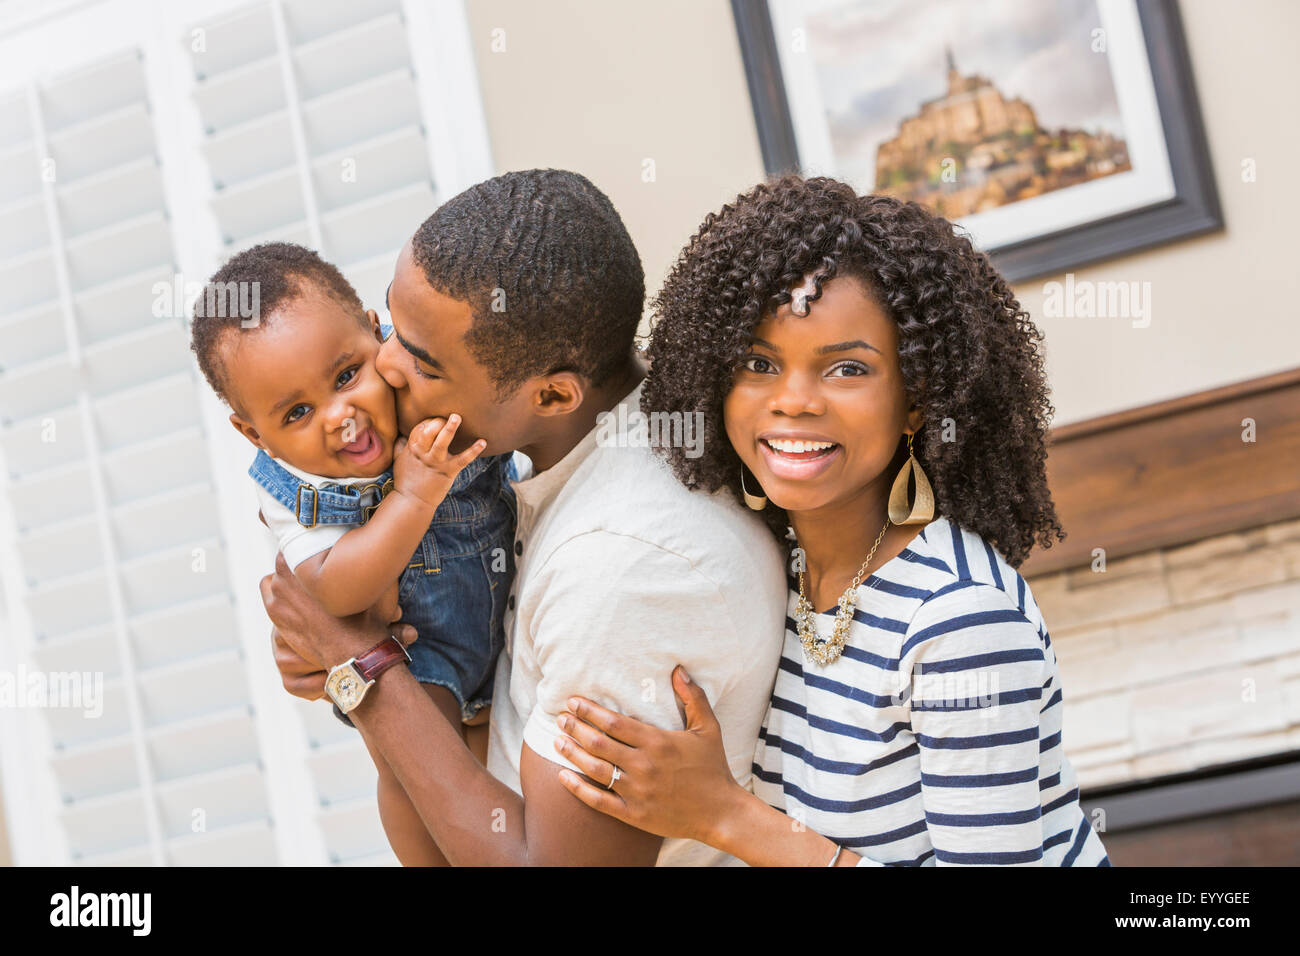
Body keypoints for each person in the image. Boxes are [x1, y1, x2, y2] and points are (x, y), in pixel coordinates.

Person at [553, 175, 1111, 866]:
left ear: (917, 401)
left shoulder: (958, 620)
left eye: (847, 369)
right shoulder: (777, 559)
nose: (793, 401)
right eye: (758, 362)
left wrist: (725, 817)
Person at [259, 169, 788, 865]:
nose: (381, 365)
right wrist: (355, 636)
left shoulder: (623, 565)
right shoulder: (551, 456)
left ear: (552, 395)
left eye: (421, 362)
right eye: (388, 321)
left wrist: (360, 667)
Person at [189, 243, 516, 865]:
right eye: (298, 412)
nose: (340, 416)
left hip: (514, 622)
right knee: (413, 769)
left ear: (378, 333)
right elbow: (339, 592)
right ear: (254, 434)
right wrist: (415, 494)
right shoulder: (296, 494)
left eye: (346, 376)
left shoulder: (431, 380)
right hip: (422, 657)